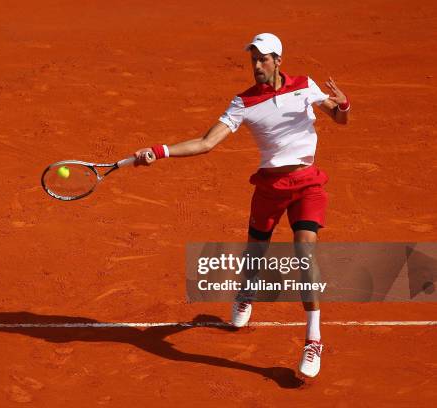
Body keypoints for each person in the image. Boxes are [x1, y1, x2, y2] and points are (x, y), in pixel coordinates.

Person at [134, 33, 350, 378]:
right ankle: (247, 293)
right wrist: (160, 151)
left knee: (304, 252)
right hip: (269, 187)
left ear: (278, 60)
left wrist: (343, 107)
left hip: (308, 183)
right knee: (256, 252)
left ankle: (313, 339)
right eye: (253, 60)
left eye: (263, 59)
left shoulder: (305, 86)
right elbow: (207, 142)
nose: (257, 65)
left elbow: (340, 120)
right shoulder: (243, 103)